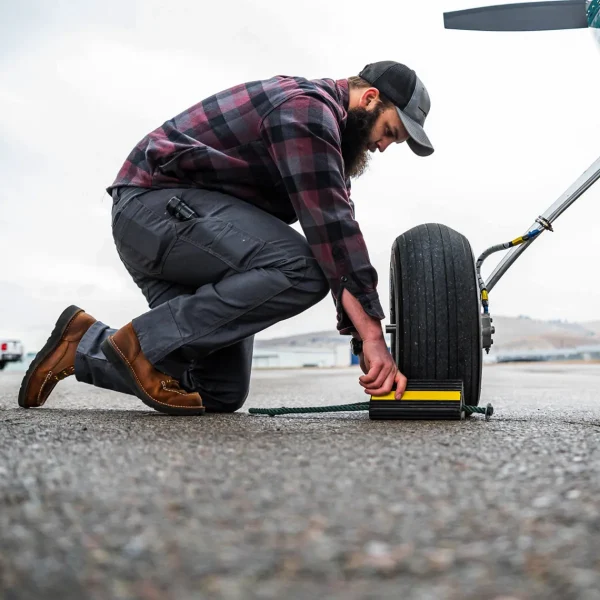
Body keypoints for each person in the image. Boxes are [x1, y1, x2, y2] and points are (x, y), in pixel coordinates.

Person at [18, 60, 434, 416]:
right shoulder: (306, 110)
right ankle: (140, 344)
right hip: (153, 213)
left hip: (193, 239)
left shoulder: (326, 142)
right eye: (391, 132)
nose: (384, 147)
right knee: (304, 269)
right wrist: (376, 337)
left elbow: (338, 232)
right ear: (370, 98)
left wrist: (363, 337)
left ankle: (82, 344)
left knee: (218, 392)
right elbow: (332, 231)